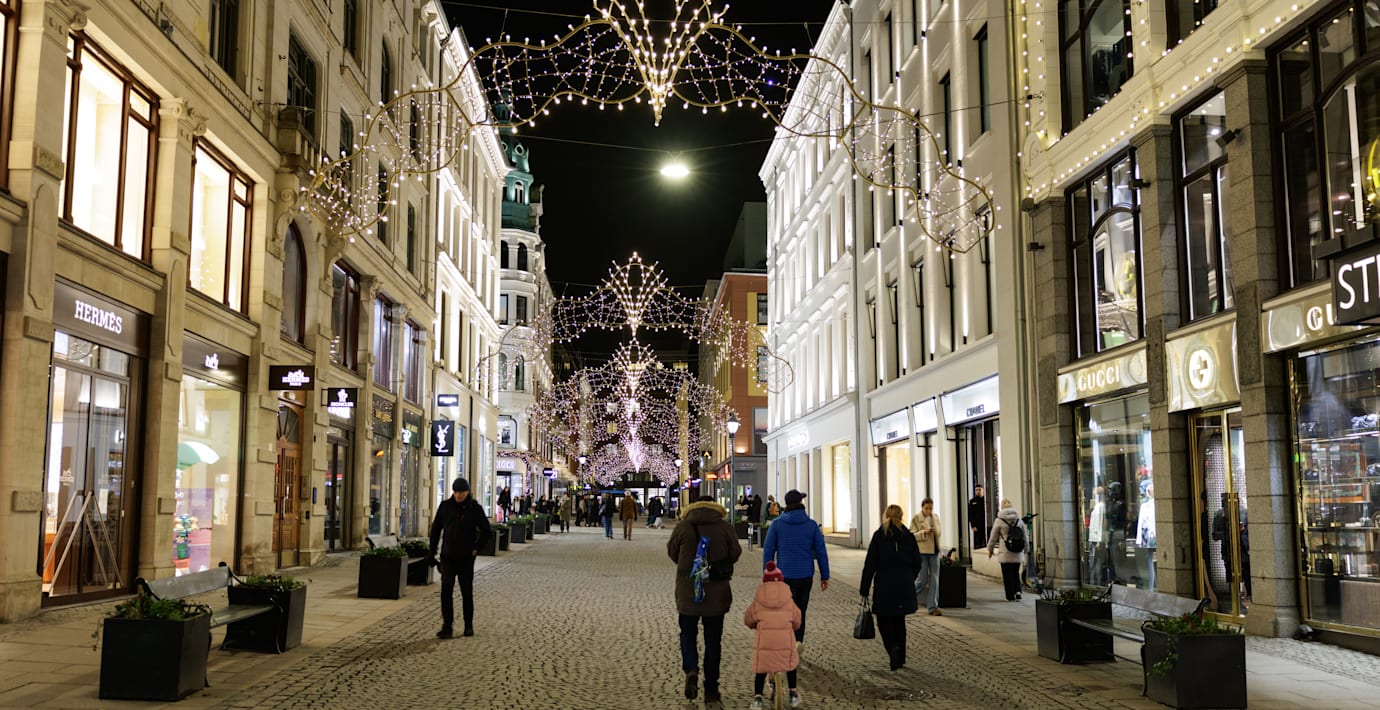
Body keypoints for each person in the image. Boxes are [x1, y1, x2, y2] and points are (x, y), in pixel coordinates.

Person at [668, 495, 742, 704]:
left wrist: (688, 567)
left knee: (687, 633)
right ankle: (711, 688)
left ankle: (691, 669)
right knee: (713, 641)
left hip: (688, 591)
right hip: (716, 593)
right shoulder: (724, 527)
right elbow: (735, 552)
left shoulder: (683, 527)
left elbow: (672, 552)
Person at [761, 489, 830, 648]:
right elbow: (821, 551)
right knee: (801, 610)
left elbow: (769, 550)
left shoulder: (777, 524)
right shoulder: (811, 525)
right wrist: (825, 576)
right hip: (805, 575)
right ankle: (798, 640)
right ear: (800, 503)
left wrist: (767, 576)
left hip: (784, 575)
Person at [428, 478, 492, 638]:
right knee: (446, 591)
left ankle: (468, 625)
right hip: (448, 556)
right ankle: (447, 626)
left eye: (461, 492)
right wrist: (432, 551)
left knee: (466, 592)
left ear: (467, 492)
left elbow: (486, 530)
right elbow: (435, 530)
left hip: (466, 557)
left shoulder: (474, 508)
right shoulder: (445, 507)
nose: (458, 495)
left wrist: (477, 549)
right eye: (456, 492)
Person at [860, 504, 921, 671]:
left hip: (885, 586)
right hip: (904, 585)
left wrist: (864, 588)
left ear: (885, 515)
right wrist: (911, 576)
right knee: (899, 621)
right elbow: (918, 561)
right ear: (901, 516)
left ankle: (893, 649)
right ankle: (900, 657)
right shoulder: (908, 536)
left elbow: (870, 564)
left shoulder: (880, 536)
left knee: (884, 621)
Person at [744, 561, 802, 709]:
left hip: (765, 643)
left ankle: (757, 699)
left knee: (762, 667)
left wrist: (754, 625)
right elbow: (797, 619)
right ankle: (793, 693)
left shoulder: (759, 600)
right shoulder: (788, 600)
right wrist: (793, 626)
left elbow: (748, 619)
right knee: (790, 663)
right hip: (785, 642)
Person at [986, 499, 1026, 601]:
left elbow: (993, 537)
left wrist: (990, 549)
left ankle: (1010, 596)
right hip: (1017, 551)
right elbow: (1024, 536)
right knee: (1016, 572)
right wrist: (1026, 549)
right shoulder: (1018, 520)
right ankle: (1018, 592)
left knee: (1007, 574)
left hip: (1005, 552)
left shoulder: (999, 520)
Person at [909, 497, 942, 616]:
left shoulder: (935, 517)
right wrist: (924, 533)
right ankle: (907, 595)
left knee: (935, 579)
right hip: (922, 552)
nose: (928, 511)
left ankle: (932, 607)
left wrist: (934, 531)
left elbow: (939, 531)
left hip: (935, 551)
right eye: (926, 508)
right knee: (922, 580)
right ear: (922, 507)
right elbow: (911, 535)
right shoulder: (916, 519)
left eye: (930, 508)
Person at [1136, 484, 1157, 590]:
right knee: (1150, 562)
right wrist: (1139, 539)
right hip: (1148, 537)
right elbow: (1141, 523)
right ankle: (1151, 587)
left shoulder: (1158, 505)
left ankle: (1153, 586)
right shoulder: (1145, 506)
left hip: (1156, 536)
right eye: (1150, 490)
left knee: (1154, 562)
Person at [968, 485, 987, 551]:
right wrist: (973, 526)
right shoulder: (972, 501)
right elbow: (970, 515)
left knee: (986, 542)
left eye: (979, 490)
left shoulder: (986, 500)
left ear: (983, 490)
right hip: (977, 526)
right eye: (976, 490)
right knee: (978, 543)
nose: (978, 491)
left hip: (985, 525)